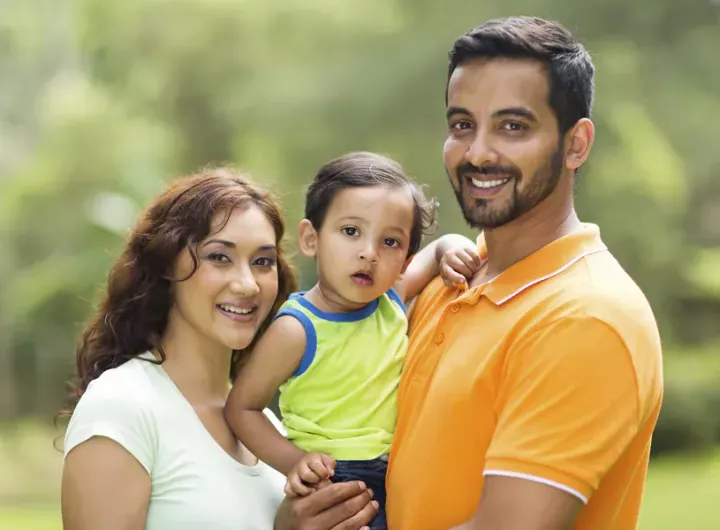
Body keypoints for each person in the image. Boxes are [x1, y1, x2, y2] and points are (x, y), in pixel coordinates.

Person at [385, 16, 664, 530]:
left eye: (513, 126)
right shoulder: (452, 278)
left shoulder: (587, 318)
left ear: (576, 144)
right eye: (462, 125)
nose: (478, 153)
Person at [61, 168, 379, 530]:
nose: (247, 285)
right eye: (219, 257)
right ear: (166, 264)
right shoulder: (123, 407)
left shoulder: (268, 428)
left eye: (262, 262)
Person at [225, 152, 479, 530]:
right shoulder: (297, 329)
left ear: (405, 262)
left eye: (390, 241)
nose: (369, 253)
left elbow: (439, 246)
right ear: (312, 238)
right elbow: (242, 409)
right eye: (350, 231)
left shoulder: (391, 297)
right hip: (336, 479)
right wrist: (295, 461)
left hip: (403, 469)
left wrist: (451, 247)